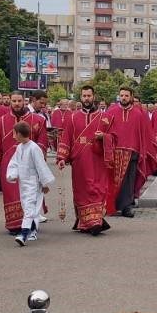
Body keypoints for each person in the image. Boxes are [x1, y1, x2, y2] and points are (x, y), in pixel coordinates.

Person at [56, 85, 113, 235]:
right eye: (84, 96)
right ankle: (86, 222)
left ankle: (95, 221)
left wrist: (104, 138)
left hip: (97, 161)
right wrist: (61, 157)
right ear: (80, 97)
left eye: (89, 95)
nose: (86, 98)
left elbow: (113, 138)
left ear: (94, 96)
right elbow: (66, 138)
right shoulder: (73, 117)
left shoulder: (104, 117)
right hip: (80, 162)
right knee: (82, 191)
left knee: (97, 189)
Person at [5, 120, 55, 246]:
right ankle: (32, 230)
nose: (13, 136)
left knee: (29, 208)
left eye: (14, 133)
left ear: (20, 134)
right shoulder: (20, 148)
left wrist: (44, 183)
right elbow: (15, 163)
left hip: (33, 183)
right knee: (28, 207)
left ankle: (24, 234)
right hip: (23, 183)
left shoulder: (34, 148)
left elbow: (41, 166)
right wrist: (12, 175)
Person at [105, 86, 152, 217]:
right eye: (122, 95)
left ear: (131, 97)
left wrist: (143, 151)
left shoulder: (138, 113)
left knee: (129, 181)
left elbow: (144, 134)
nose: (124, 98)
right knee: (113, 179)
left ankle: (126, 207)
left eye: (126, 95)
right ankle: (111, 205)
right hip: (115, 152)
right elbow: (105, 130)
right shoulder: (111, 111)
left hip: (133, 152)